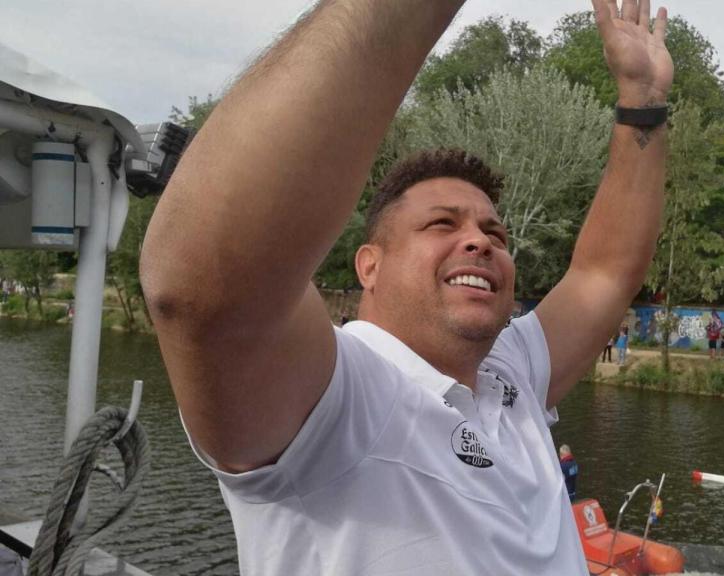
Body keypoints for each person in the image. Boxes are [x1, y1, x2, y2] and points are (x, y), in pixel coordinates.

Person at [139, 1, 674, 573]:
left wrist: (641, 103)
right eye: (442, 224)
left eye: (494, 230)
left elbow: (606, 271)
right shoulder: (337, 394)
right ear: (368, 266)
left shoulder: (511, 368)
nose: (481, 241)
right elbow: (202, 289)